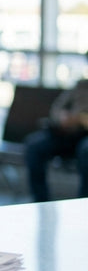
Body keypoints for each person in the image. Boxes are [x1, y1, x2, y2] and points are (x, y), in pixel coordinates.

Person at [24, 53, 88, 201]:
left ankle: (83, 201)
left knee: (86, 150)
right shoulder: (81, 86)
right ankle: (40, 200)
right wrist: (62, 117)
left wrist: (80, 120)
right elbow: (57, 107)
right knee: (34, 145)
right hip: (67, 134)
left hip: (85, 136)